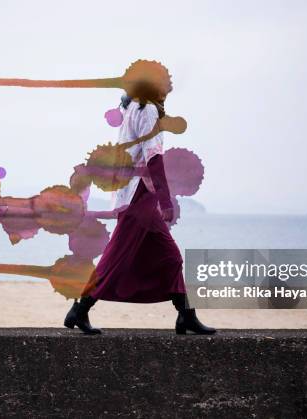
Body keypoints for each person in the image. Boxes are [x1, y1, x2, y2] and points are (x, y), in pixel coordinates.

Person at [64, 86, 216, 335]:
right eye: (164, 85)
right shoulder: (147, 110)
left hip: (134, 194)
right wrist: (166, 201)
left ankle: (186, 316)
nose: (167, 90)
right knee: (119, 257)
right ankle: (81, 309)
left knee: (169, 257)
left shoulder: (133, 107)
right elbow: (153, 158)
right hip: (138, 198)